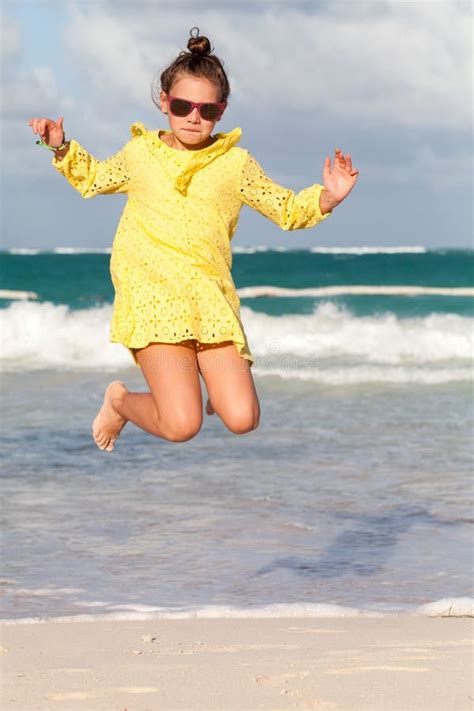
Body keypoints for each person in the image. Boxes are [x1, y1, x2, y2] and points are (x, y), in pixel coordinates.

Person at [28, 26, 358, 451]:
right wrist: (60, 147)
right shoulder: (141, 154)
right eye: (182, 105)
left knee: (243, 419)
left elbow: (287, 209)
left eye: (207, 110)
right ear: (165, 102)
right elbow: (92, 179)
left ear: (221, 111)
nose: (193, 118)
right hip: (153, 302)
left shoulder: (235, 164)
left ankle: (216, 393)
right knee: (182, 425)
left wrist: (329, 197)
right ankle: (120, 401)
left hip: (211, 304)